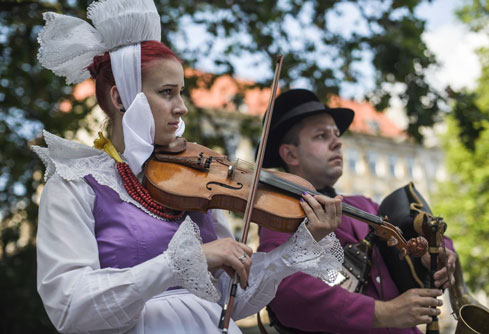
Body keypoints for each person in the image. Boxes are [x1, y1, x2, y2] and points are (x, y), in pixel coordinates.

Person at [32, 2, 345, 333]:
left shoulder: (196, 183)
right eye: (167, 93)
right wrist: (182, 262)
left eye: (181, 93)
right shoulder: (75, 183)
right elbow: (70, 307)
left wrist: (294, 249)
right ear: (120, 98)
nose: (181, 108)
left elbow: (230, 303)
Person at [258, 89, 458, 334]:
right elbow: (286, 293)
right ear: (290, 154)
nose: (337, 142)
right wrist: (384, 312)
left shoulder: (365, 206)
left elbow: (425, 230)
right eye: (322, 136)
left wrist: (440, 253)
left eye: (336, 134)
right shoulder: (278, 215)